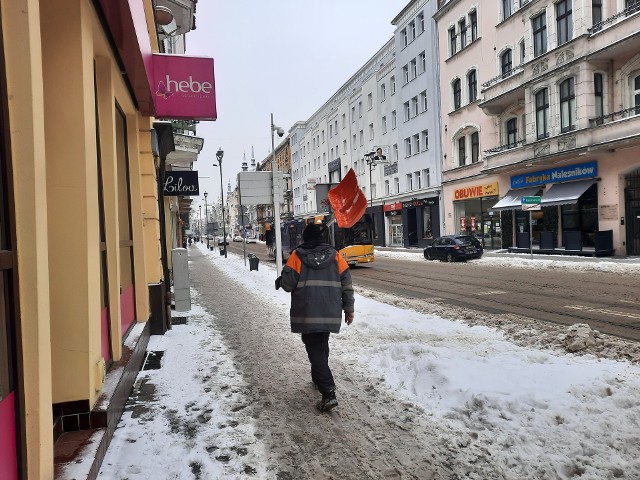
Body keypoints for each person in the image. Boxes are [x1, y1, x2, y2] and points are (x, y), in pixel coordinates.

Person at [275, 223, 355, 412]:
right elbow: (347, 283)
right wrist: (349, 308)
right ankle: (317, 378)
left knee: (315, 349)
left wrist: (280, 279)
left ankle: (328, 393)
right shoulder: (336, 256)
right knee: (321, 344)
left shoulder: (297, 256)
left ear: (305, 238)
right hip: (330, 310)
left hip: (307, 311)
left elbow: (288, 285)